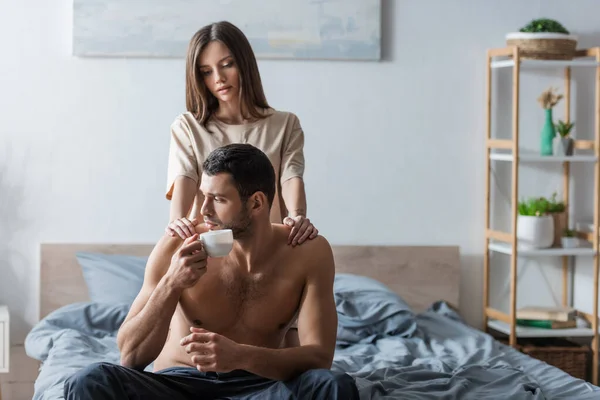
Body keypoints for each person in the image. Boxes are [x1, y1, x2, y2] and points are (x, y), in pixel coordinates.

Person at [63, 144, 359, 400]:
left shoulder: (307, 252)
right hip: (178, 384)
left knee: (333, 385)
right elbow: (130, 356)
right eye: (202, 196)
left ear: (256, 202)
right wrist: (172, 283)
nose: (202, 211)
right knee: (89, 381)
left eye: (217, 199)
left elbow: (319, 358)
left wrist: (240, 356)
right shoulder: (178, 242)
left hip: (259, 387)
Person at [165, 20, 318, 249]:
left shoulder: (285, 124)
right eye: (207, 72)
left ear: (244, 64)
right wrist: (176, 221)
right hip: (209, 249)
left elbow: (291, 176)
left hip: (266, 253)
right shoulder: (188, 126)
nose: (218, 78)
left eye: (227, 64)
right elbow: (185, 177)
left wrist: (297, 217)